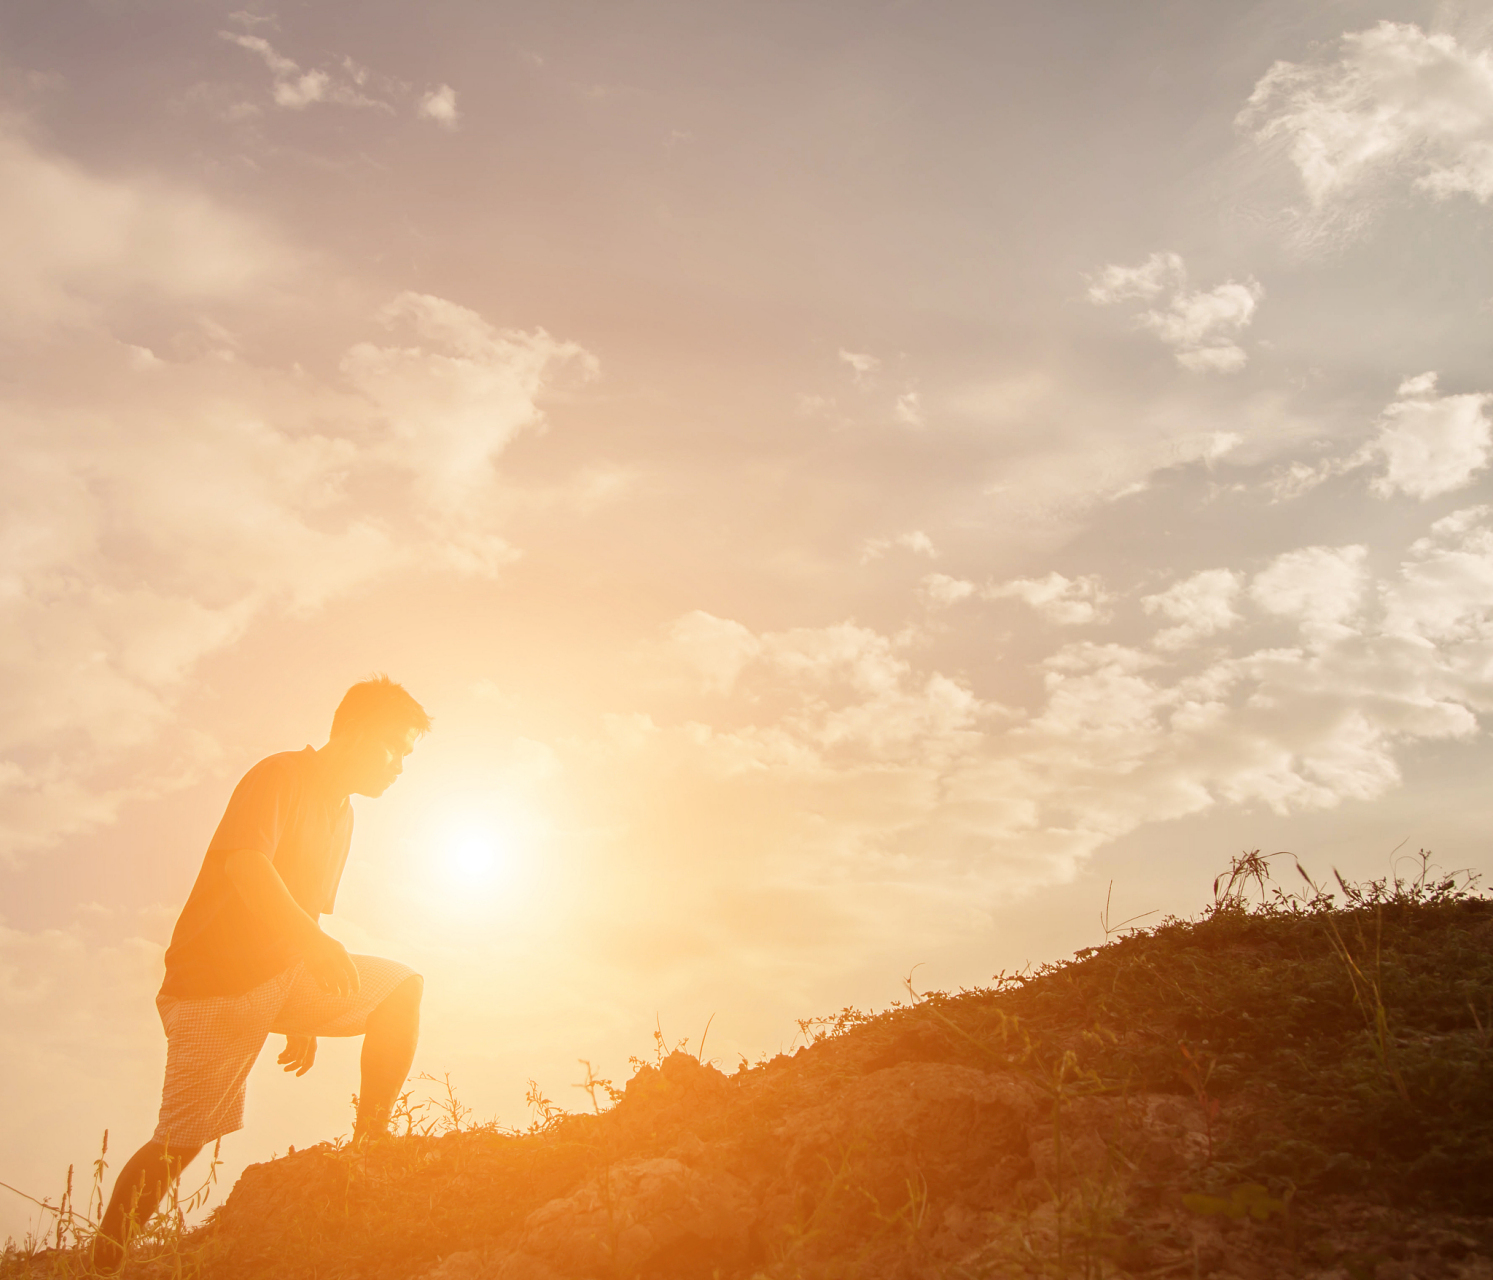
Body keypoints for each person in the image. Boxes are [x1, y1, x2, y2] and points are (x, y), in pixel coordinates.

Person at [93, 676, 432, 1272]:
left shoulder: (343, 815)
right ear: (353, 731)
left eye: (407, 755)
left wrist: (304, 1000)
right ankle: (101, 1259)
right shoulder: (280, 776)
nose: (400, 766)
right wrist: (315, 948)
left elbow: (305, 908)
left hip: (284, 977)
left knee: (400, 988)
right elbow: (249, 869)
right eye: (393, 748)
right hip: (212, 987)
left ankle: (370, 1146)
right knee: (181, 1142)